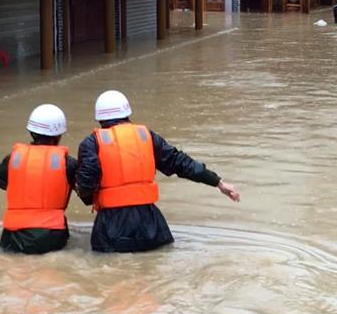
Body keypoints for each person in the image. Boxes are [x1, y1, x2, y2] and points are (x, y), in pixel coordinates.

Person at [76, 90, 240, 253]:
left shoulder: (91, 144)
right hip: (151, 224)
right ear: (127, 113)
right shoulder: (146, 136)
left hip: (112, 226)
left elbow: (86, 183)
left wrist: (85, 195)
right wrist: (218, 182)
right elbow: (180, 162)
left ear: (99, 119)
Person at [0, 104, 78, 254]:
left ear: (31, 132)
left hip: (12, 237)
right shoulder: (68, 164)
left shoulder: (13, 158)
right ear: (59, 135)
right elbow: (86, 191)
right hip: (50, 236)